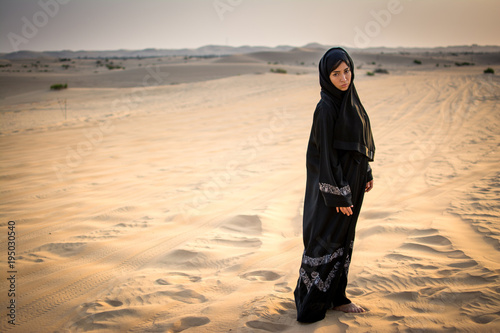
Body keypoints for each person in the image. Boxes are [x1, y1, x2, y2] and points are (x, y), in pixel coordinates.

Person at [294, 47, 375, 323]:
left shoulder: (351, 102)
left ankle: (337, 298)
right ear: (326, 76)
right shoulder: (326, 108)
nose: (343, 78)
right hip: (333, 191)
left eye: (347, 71)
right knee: (325, 240)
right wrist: (338, 195)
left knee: (343, 241)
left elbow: (357, 145)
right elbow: (324, 156)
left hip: (351, 186)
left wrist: (366, 172)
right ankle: (311, 304)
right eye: (336, 73)